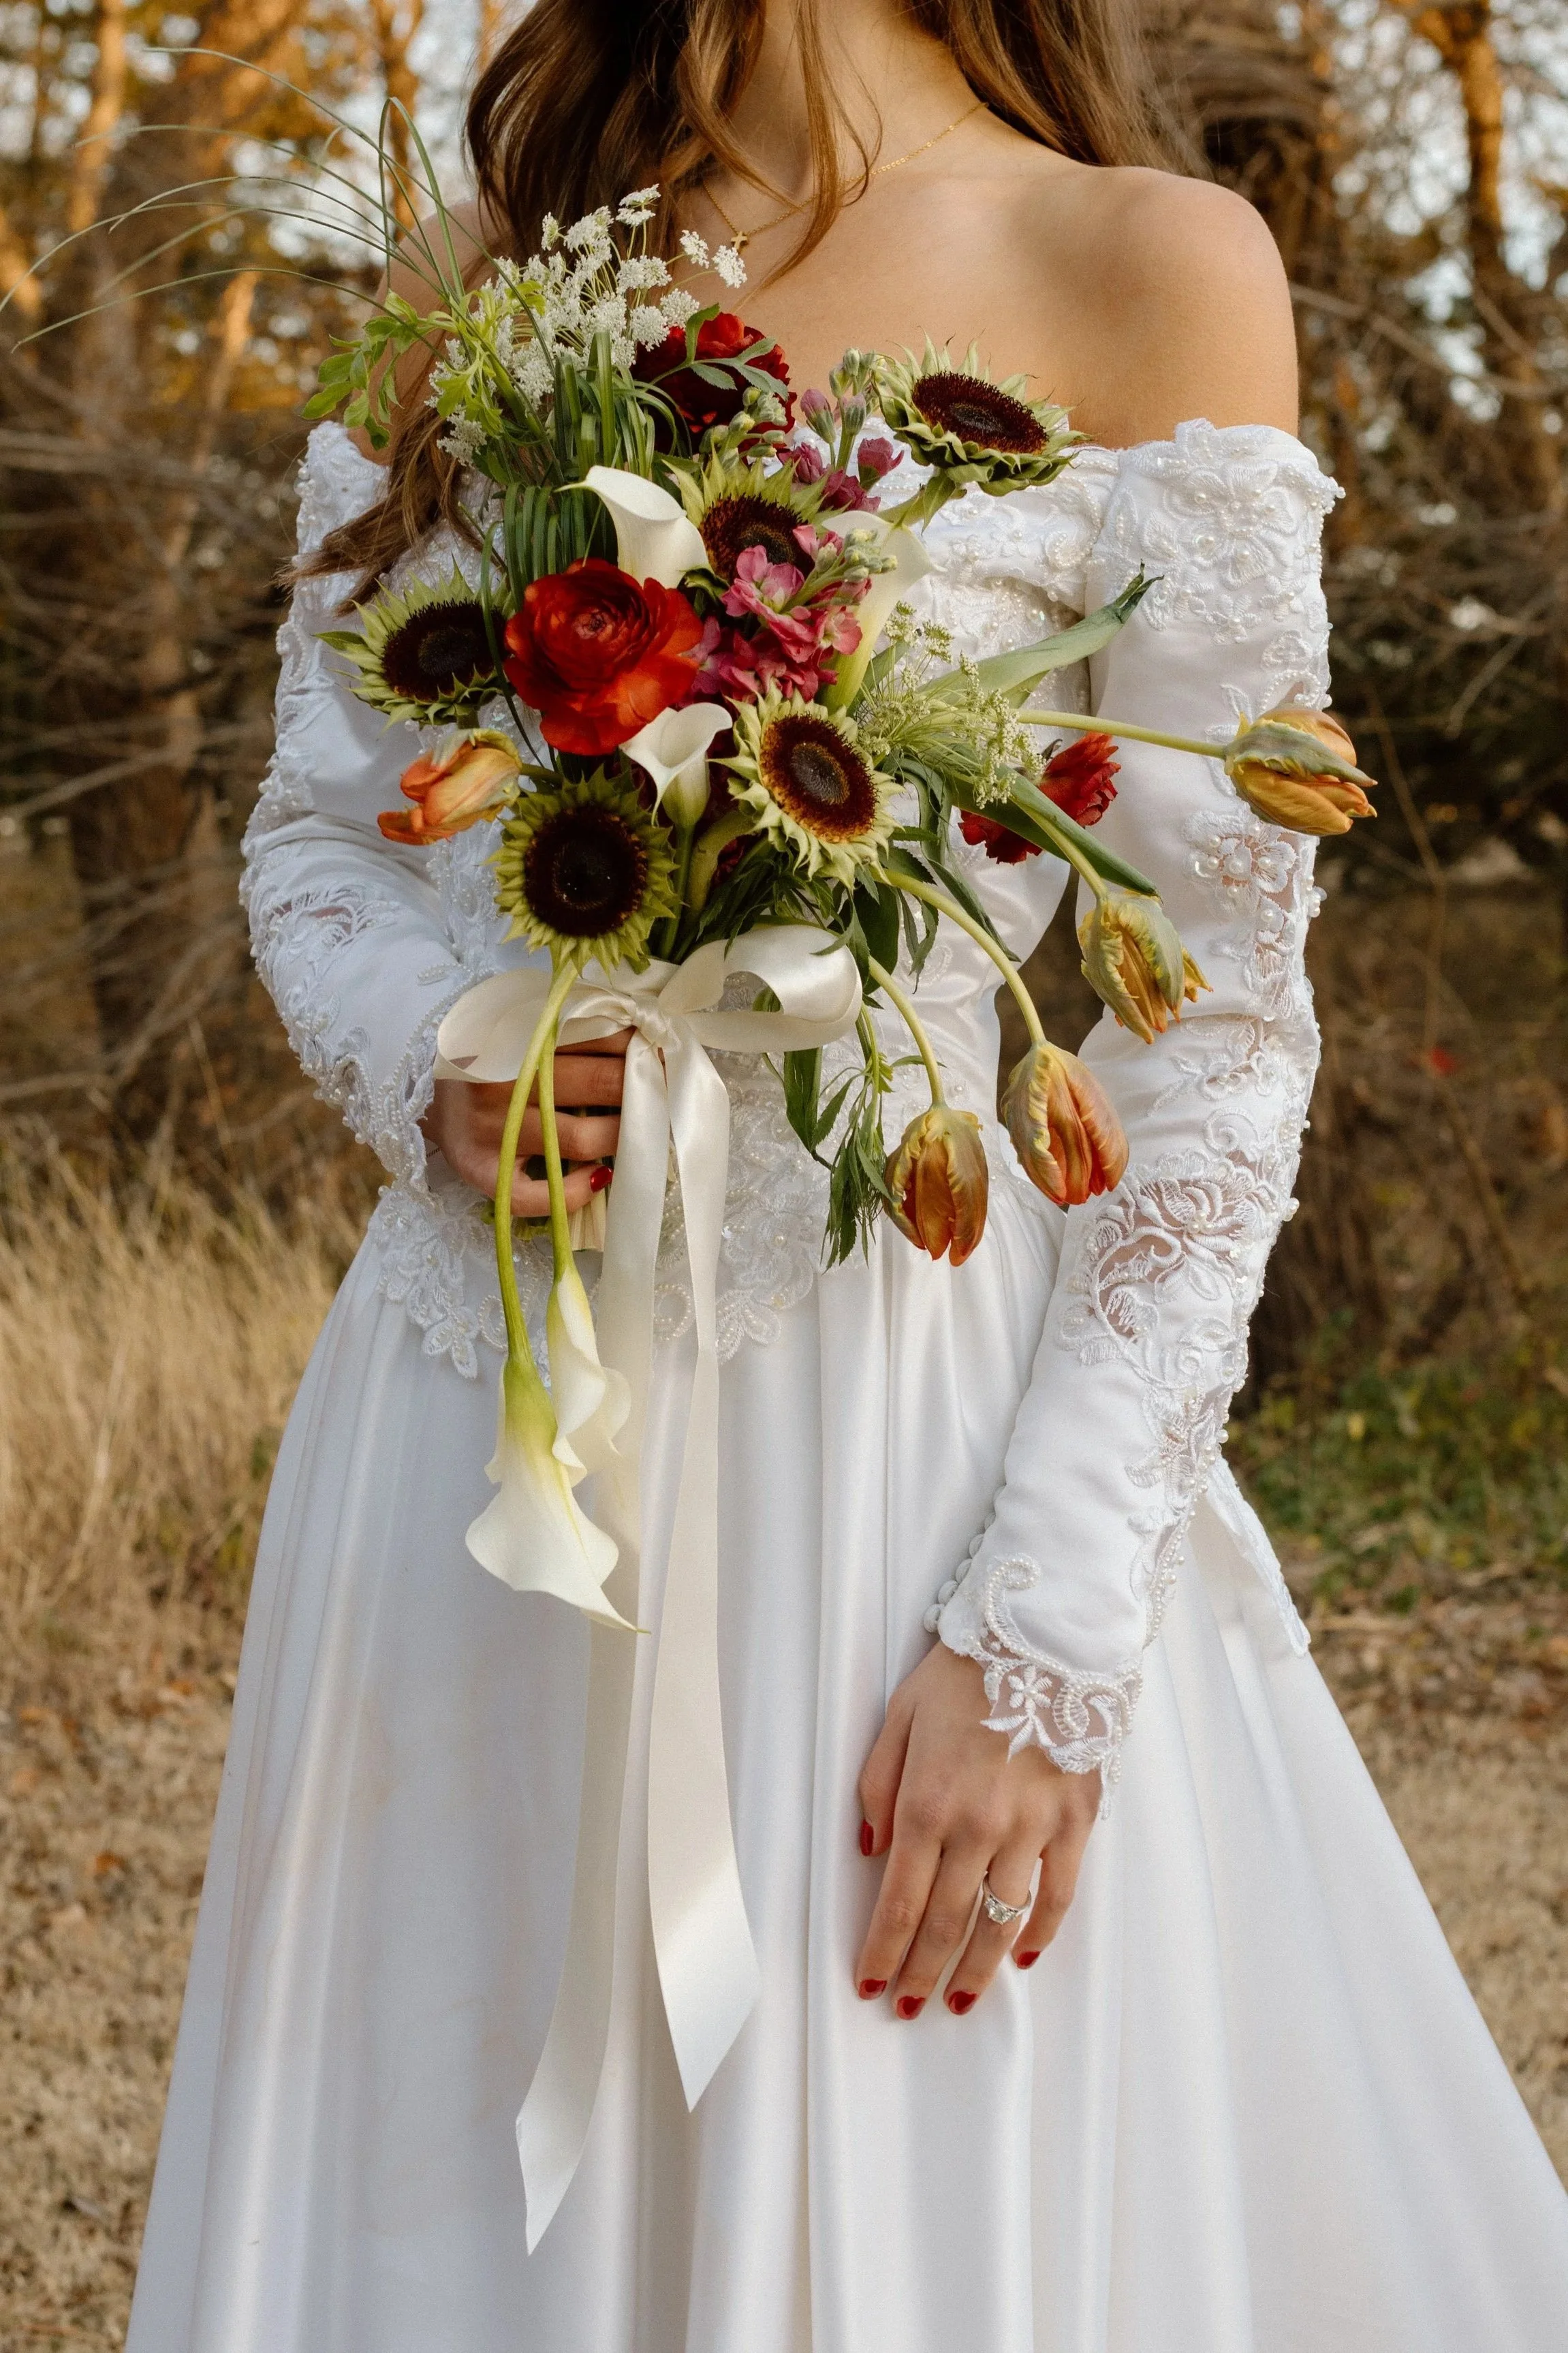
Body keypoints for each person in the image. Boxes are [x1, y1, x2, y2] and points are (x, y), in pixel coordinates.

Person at [126, 3, 1568, 2347]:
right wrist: (434, 1067)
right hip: (482, 1462)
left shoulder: (1148, 258)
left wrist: (1049, 1629)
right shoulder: (485, 267)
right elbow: (319, 831)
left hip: (916, 1450)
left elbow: (1213, 1032)